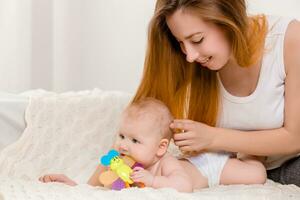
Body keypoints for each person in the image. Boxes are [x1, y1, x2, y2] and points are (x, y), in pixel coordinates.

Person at [132, 0, 300, 186]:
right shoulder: (186, 58)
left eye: (197, 40)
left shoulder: (289, 39)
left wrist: (213, 138)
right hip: (233, 170)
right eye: (180, 42)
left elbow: (295, 138)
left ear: (229, 20)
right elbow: (137, 126)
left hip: (292, 163)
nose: (190, 56)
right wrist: (101, 178)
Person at [39, 98, 266, 190]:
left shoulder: (165, 163)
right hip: (192, 162)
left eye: (135, 140)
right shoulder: (118, 162)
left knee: (257, 175)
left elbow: (184, 185)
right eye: (122, 136)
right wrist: (72, 186)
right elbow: (94, 189)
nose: (123, 146)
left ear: (160, 148)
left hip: (208, 167)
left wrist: (153, 180)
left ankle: (249, 149)